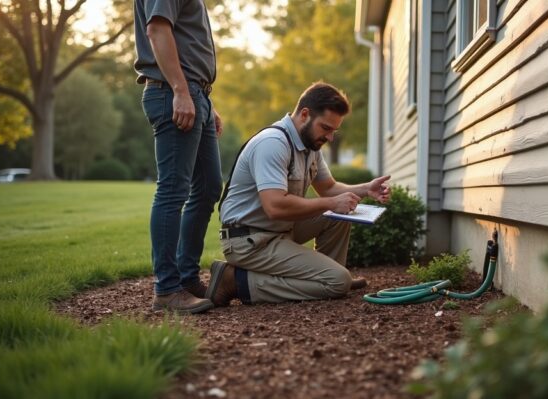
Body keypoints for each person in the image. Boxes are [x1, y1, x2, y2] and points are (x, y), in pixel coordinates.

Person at [205, 82, 391, 306]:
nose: (330, 137)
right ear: (305, 115)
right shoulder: (273, 143)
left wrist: (364, 189)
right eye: (326, 128)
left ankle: (326, 277)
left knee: (340, 215)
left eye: (334, 130)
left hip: (279, 230)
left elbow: (329, 188)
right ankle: (234, 281)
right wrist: (331, 202)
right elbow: (275, 206)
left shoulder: (309, 145)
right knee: (338, 280)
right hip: (250, 240)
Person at [134, 0, 223, 313]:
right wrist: (182, 92)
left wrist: (205, 104)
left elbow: (187, 43)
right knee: (173, 190)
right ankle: (167, 289)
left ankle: (185, 278)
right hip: (174, 92)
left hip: (195, 94)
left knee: (209, 186)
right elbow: (158, 30)